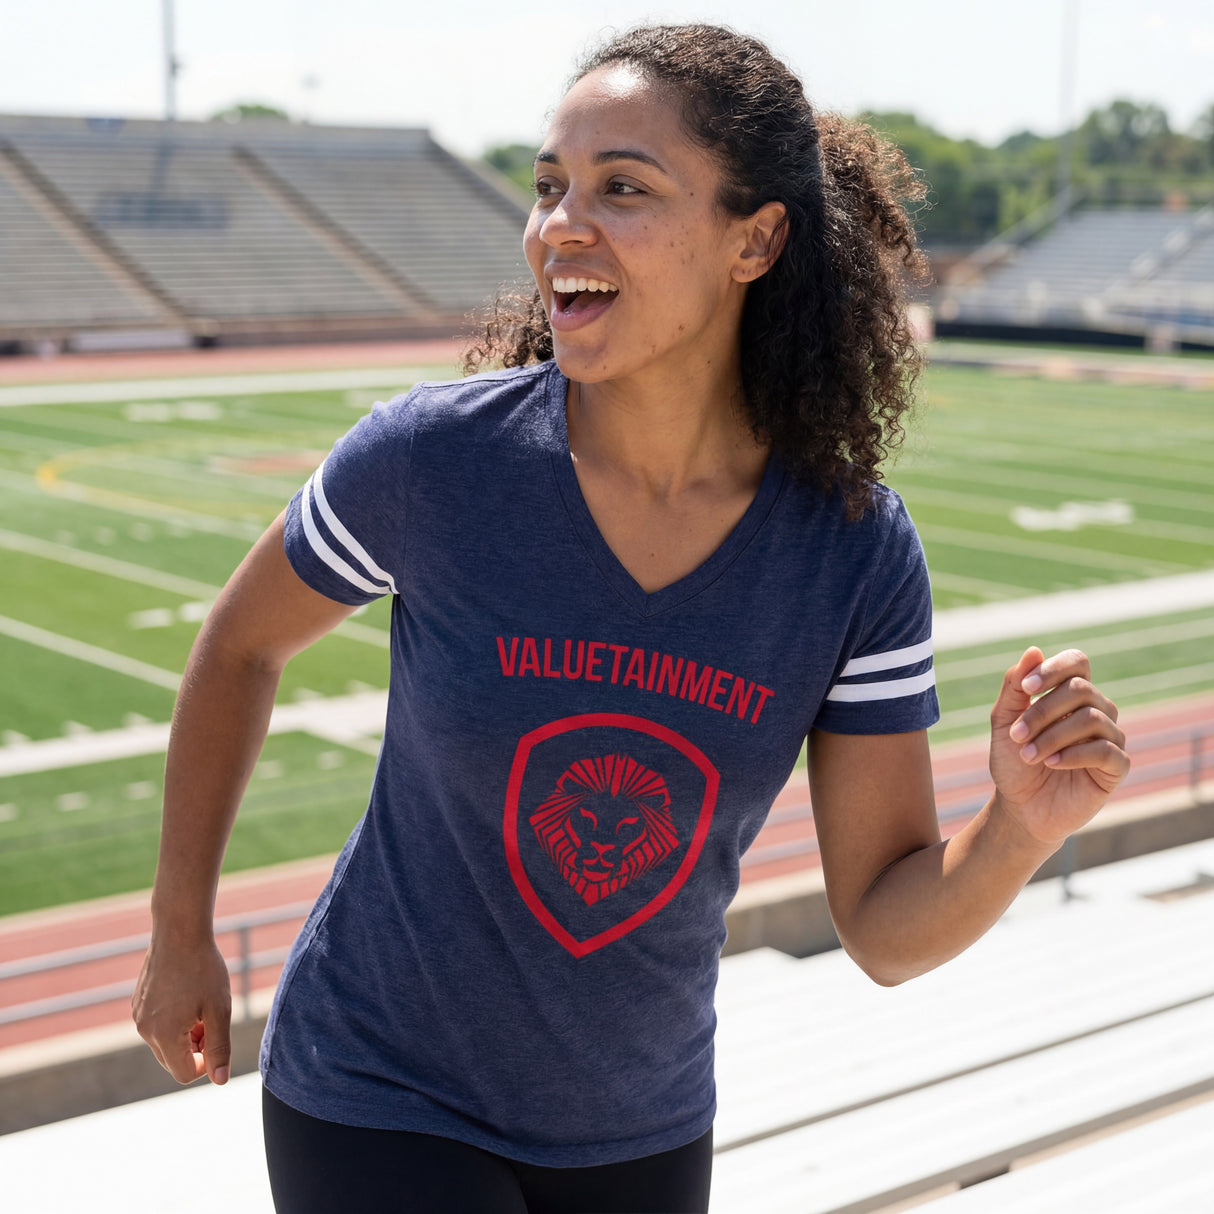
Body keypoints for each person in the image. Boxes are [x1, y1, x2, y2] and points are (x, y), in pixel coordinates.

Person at [132, 23, 1129, 1214]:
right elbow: (241, 643)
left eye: (622, 188)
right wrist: (178, 925)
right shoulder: (432, 461)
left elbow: (880, 927)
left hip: (637, 1126)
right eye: (548, 185)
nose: (559, 223)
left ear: (754, 239)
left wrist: (1016, 826)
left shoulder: (852, 551)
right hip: (377, 1085)